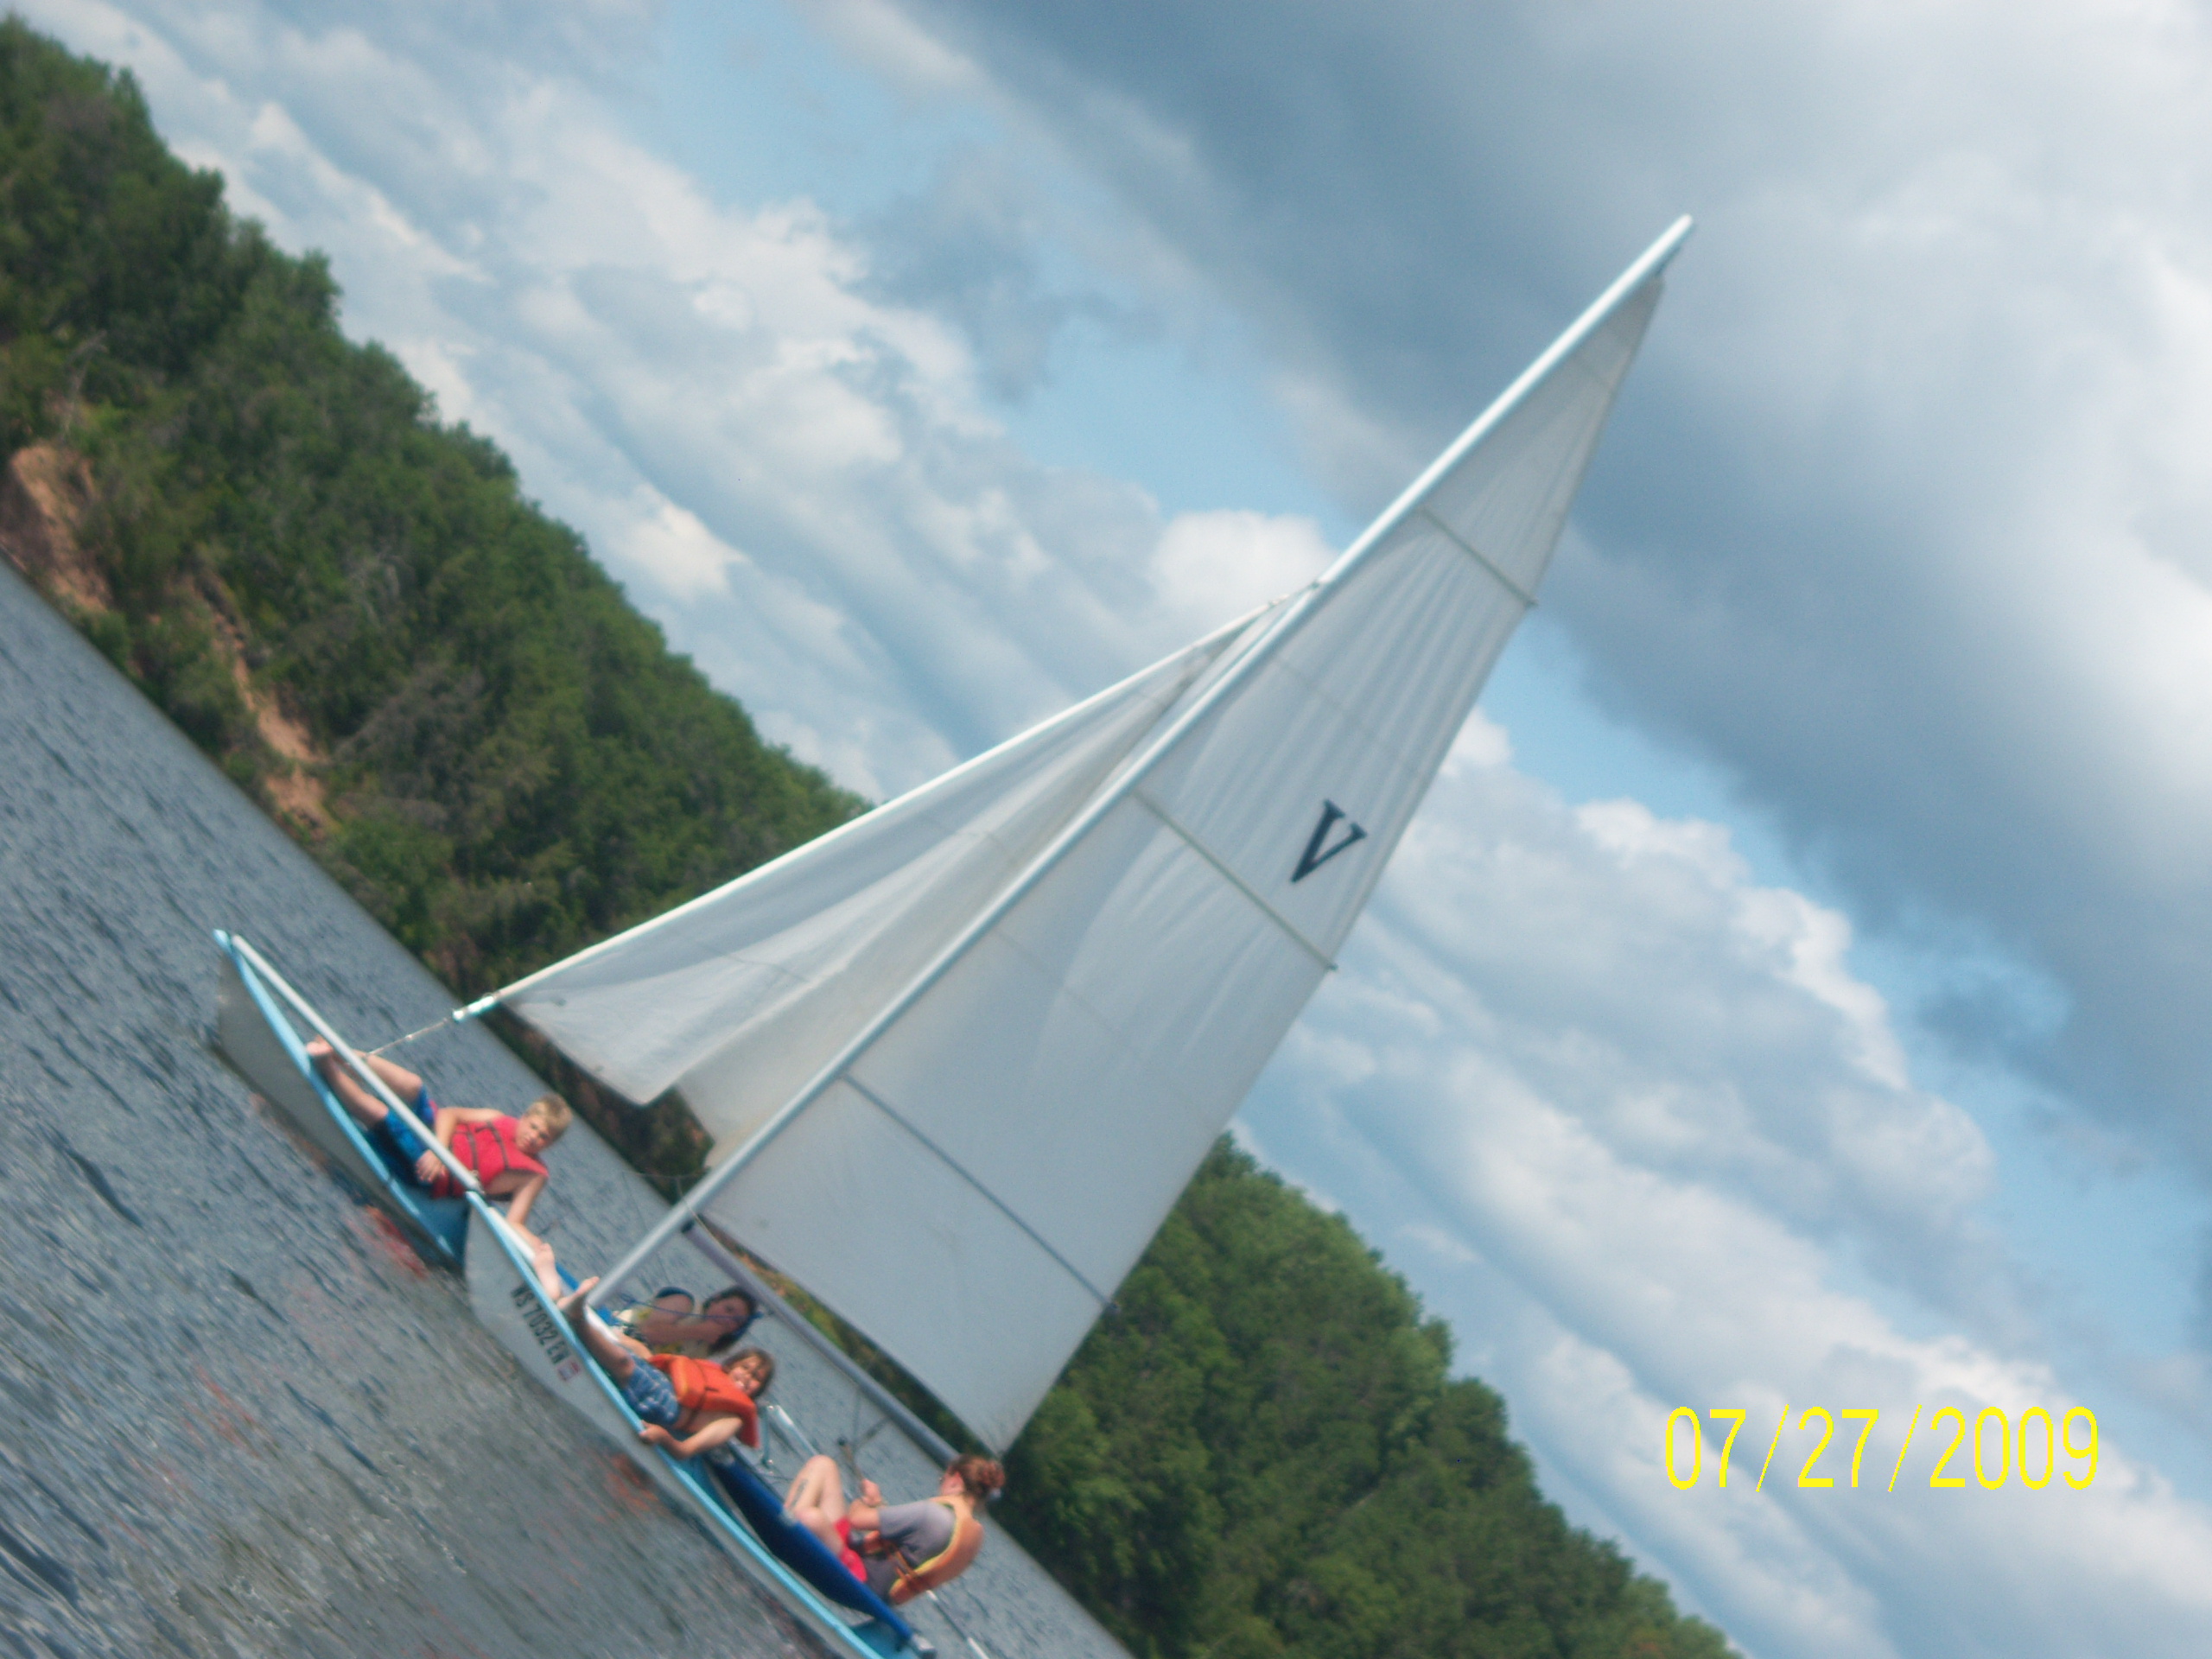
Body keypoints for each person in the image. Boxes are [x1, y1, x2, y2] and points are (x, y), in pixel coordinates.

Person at [306, 1039, 569, 1246]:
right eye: (534, 1127)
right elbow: (449, 1114)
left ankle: (326, 1066)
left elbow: (515, 1223)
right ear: (524, 1118)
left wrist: (538, 1248)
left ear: (550, 1144)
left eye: (543, 1137)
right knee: (413, 1084)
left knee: (380, 1114)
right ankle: (338, 1051)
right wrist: (439, 1150)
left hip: (434, 1173)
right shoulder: (496, 1117)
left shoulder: (533, 1176)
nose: (534, 1137)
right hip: (437, 1142)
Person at [537, 1243, 772, 1461]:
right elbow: (649, 1334)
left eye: (756, 1378)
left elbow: (685, 1447)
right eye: (728, 1310)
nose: (747, 1377)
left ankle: (568, 1306)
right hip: (625, 1340)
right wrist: (699, 1330)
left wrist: (664, 1437)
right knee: (626, 1357)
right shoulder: (686, 1303)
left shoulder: (732, 1417)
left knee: (625, 1363)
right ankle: (561, 1298)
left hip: (658, 1393)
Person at [784, 1453, 1004, 1605]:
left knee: (811, 1515)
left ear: (955, 1479)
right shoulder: (972, 1536)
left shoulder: (933, 1513)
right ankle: (791, 1515)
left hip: (856, 1578)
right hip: (880, 1595)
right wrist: (879, 1505)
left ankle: (783, 1520)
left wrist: (866, 1501)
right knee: (826, 1466)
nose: (941, 1484)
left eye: (942, 1478)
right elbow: (905, 1548)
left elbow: (856, 1519)